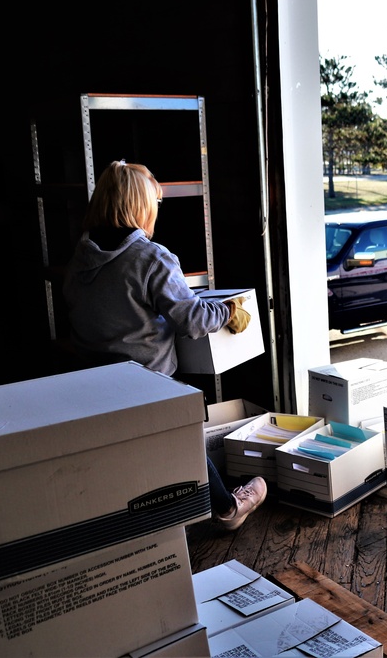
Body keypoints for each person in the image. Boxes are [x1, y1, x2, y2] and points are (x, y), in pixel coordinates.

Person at [63, 159, 265, 531]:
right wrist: (226, 310)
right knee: (182, 438)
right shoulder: (151, 257)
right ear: (140, 206)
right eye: (154, 204)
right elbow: (191, 321)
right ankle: (227, 510)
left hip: (93, 386)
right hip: (147, 386)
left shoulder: (79, 258)